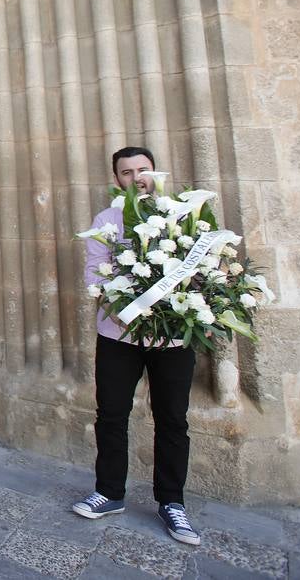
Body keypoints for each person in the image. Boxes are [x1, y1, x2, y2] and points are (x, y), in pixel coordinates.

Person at [71, 146, 201, 546]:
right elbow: (96, 275)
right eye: (126, 172)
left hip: (173, 335)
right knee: (111, 414)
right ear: (117, 180)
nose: (136, 177)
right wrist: (130, 300)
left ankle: (172, 502)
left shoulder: (185, 216)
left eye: (143, 170)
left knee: (173, 418)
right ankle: (110, 493)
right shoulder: (106, 220)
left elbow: (201, 271)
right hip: (119, 335)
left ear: (155, 173)